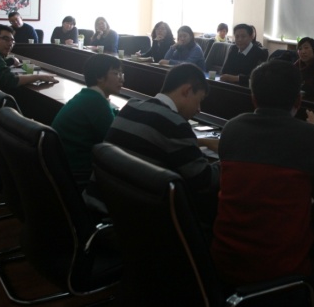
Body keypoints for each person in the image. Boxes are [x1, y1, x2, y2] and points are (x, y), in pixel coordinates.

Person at [211, 60, 314, 286]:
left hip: (223, 265)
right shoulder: (311, 136)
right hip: (282, 273)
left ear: (253, 98)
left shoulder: (232, 128)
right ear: (298, 101)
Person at [87, 63, 219, 221]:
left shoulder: (131, 107)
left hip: (97, 206)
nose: (199, 109)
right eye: (199, 100)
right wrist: (230, 156)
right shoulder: (176, 124)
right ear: (187, 90)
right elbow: (205, 182)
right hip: (128, 222)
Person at [52, 54, 123, 186]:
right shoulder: (96, 103)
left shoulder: (87, 95)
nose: (121, 78)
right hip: (77, 173)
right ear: (99, 77)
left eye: (121, 73)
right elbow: (116, 140)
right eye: (116, 73)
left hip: (61, 167)